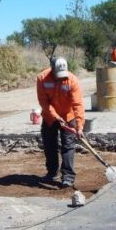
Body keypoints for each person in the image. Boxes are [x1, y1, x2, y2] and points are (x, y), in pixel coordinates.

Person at [36, 57, 85, 187]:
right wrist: (56, 117)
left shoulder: (72, 80)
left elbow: (78, 104)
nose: (61, 78)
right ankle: (52, 172)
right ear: (52, 69)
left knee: (68, 146)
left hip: (68, 117)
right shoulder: (42, 78)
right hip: (50, 117)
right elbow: (44, 103)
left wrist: (79, 126)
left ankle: (68, 176)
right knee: (49, 145)